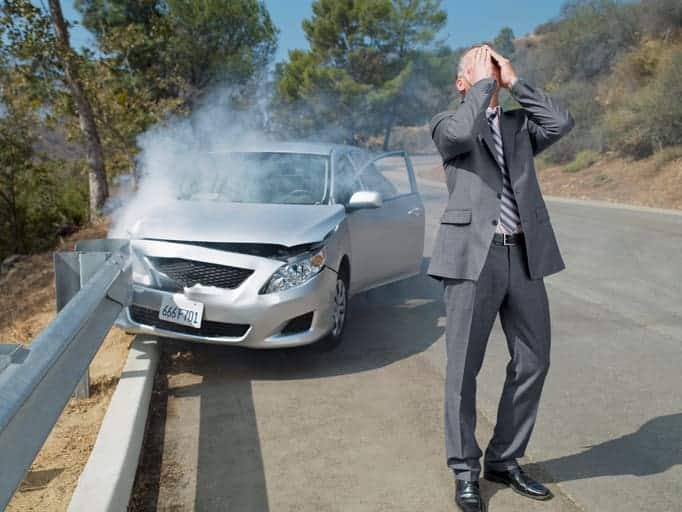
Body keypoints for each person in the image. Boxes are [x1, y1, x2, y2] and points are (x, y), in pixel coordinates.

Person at [427, 44, 574, 512]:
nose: (489, 72)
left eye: (494, 65)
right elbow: (461, 132)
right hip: (473, 259)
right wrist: (483, 84)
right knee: (462, 371)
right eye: (478, 67)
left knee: (534, 361)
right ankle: (465, 471)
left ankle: (504, 460)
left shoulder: (517, 126)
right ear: (461, 82)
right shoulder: (447, 124)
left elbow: (560, 123)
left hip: (524, 256)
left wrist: (514, 83)